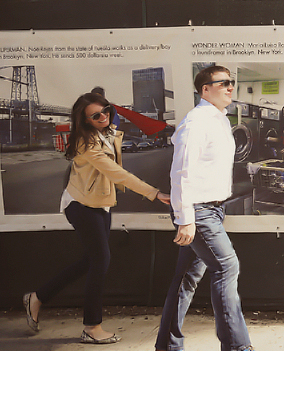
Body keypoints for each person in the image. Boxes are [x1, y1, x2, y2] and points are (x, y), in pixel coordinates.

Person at [24, 92, 169, 344]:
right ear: (86, 120)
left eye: (106, 111)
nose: (103, 117)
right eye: (96, 115)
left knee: (91, 261)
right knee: (100, 261)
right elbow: (118, 173)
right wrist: (154, 193)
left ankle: (37, 297)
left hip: (101, 204)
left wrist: (117, 117)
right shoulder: (87, 143)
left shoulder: (106, 130)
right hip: (81, 205)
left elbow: (113, 121)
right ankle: (92, 327)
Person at [155, 65, 253, 351]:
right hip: (198, 212)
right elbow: (182, 171)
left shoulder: (219, 119)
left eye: (231, 82)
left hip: (213, 210)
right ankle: (237, 348)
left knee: (186, 278)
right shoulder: (196, 121)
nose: (230, 87)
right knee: (226, 267)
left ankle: (167, 346)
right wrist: (185, 218)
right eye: (223, 83)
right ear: (205, 89)